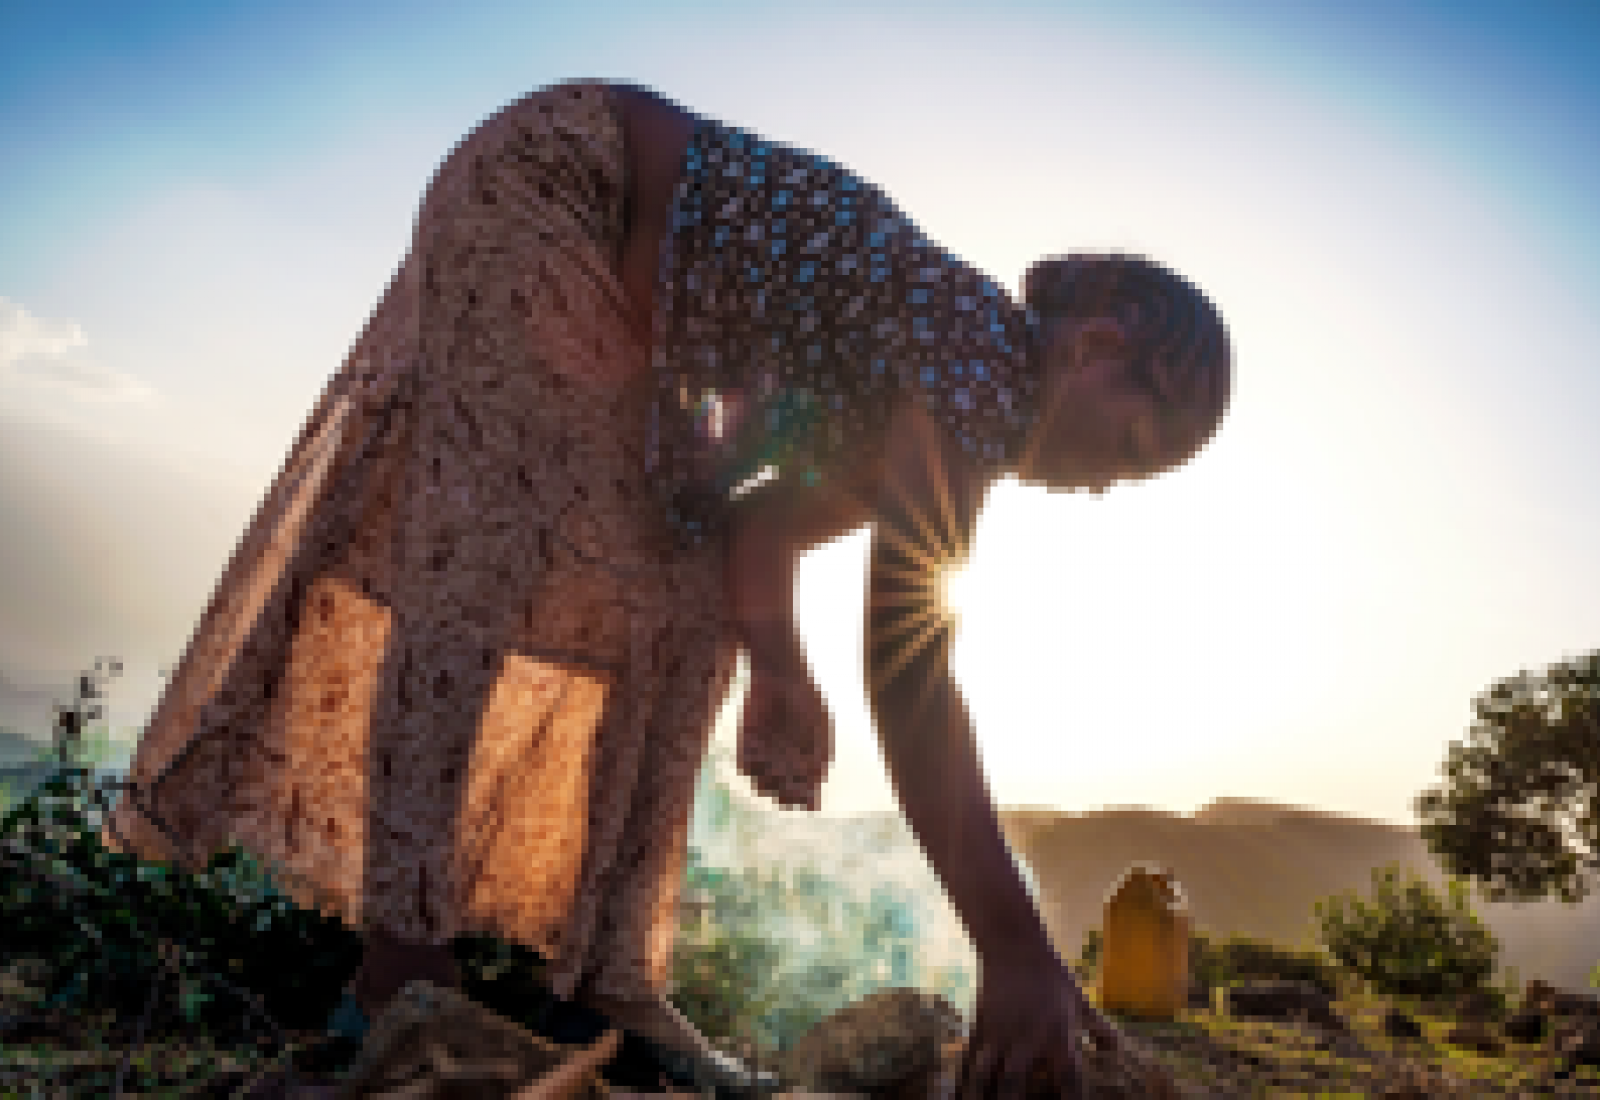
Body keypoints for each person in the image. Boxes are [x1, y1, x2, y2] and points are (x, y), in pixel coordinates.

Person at [98, 78, 1231, 1098]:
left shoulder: (928, 407)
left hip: (630, 280)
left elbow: (758, 527)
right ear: (1091, 344)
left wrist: (778, 670)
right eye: (1136, 445)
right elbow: (911, 669)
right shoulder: (979, 362)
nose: (1108, 486)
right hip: (562, 179)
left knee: (684, 589)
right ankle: (399, 971)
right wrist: (1017, 950)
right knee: (484, 546)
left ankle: (606, 978)